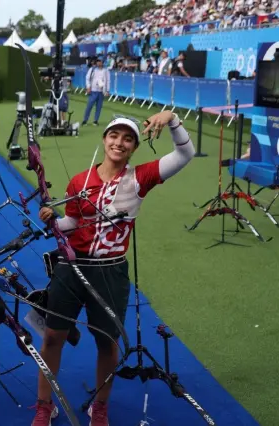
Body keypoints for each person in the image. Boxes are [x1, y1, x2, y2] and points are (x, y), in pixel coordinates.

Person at [31, 110, 195, 426]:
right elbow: (73, 223)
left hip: (110, 271)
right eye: (114, 135)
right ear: (105, 139)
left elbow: (185, 153)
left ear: (134, 147)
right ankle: (43, 404)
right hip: (71, 267)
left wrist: (172, 118)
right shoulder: (80, 180)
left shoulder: (141, 177)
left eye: (128, 138)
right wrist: (53, 220)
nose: (119, 143)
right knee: (52, 336)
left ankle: (100, 407)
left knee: (107, 342)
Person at [82, 57, 110, 126]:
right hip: (93, 91)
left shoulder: (106, 71)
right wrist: (88, 87)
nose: (98, 62)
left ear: (102, 62)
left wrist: (107, 90)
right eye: (97, 61)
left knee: (99, 107)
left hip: (101, 91)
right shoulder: (92, 69)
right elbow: (87, 78)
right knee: (89, 106)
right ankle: (85, 120)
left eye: (100, 61)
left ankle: (95, 120)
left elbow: (108, 81)